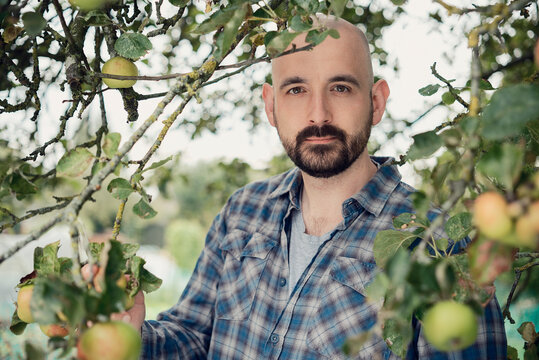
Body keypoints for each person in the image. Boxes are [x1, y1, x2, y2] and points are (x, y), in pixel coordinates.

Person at [123, 15, 507, 359]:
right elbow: (191, 337)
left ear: (376, 101)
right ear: (271, 106)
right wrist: (131, 335)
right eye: (296, 90)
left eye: (340, 88)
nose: (319, 115)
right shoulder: (242, 211)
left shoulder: (441, 248)